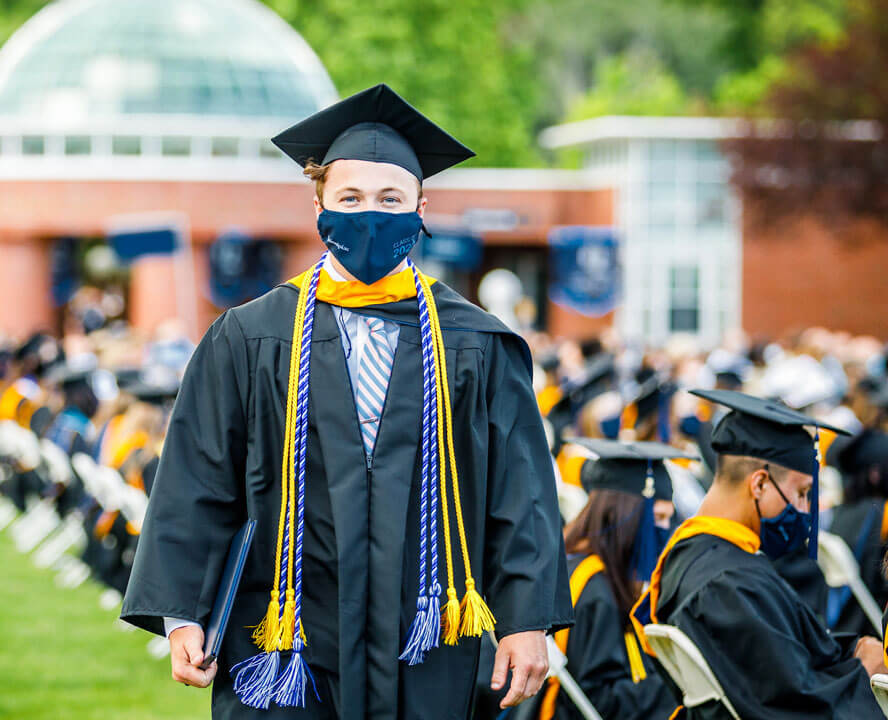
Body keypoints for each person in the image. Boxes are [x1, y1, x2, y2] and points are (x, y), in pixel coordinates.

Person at [121, 84, 570, 719]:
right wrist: (182, 616)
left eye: (390, 199)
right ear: (318, 205)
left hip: (427, 626)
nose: (370, 215)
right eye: (350, 198)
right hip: (282, 634)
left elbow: (520, 490)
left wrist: (528, 618)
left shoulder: (474, 343)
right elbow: (196, 478)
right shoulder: (251, 336)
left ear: (422, 205)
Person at [631, 389, 883, 719]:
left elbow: (782, 663)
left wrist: (849, 651)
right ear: (759, 484)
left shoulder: (691, 554)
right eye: (802, 493)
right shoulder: (730, 584)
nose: (807, 509)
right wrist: (862, 671)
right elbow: (795, 706)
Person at [533, 438, 679, 720]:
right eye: (658, 517)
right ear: (628, 515)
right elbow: (599, 699)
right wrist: (675, 680)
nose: (665, 530)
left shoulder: (574, 562)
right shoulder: (597, 592)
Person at [827, 428, 888, 635]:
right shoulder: (880, 515)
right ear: (875, 474)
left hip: (846, 628)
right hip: (872, 630)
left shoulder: (844, 511)